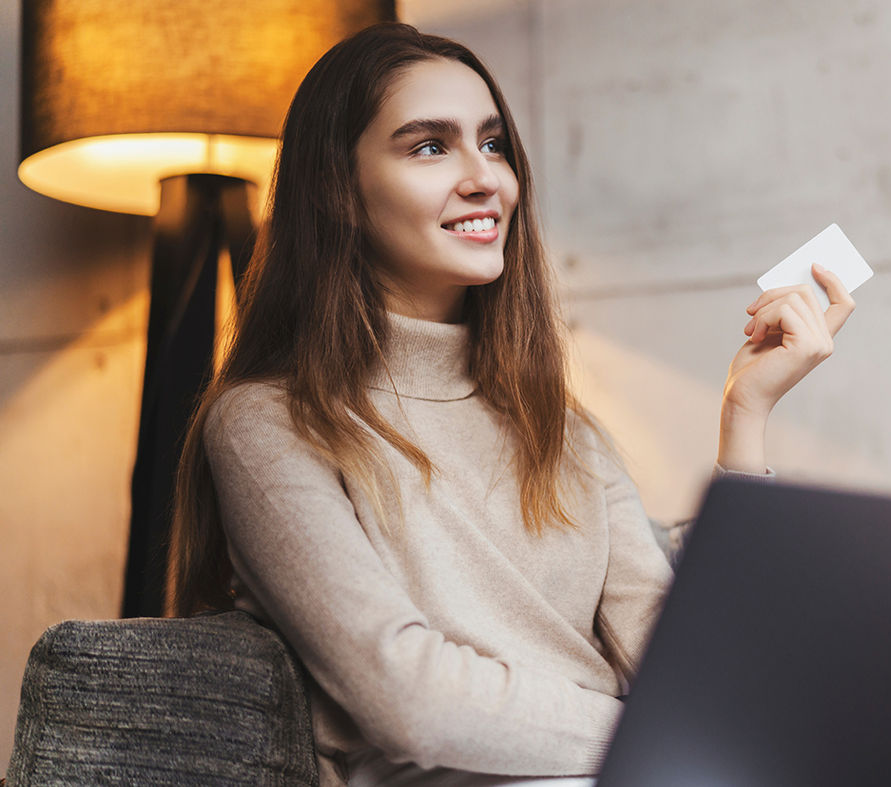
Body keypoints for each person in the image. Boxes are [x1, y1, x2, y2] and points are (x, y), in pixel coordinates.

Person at [166, 22, 855, 787]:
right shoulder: (269, 422)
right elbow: (410, 701)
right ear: (339, 193)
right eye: (430, 146)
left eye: (492, 144)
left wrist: (745, 418)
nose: (484, 177)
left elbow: (698, 676)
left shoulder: (558, 424)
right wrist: (664, 736)